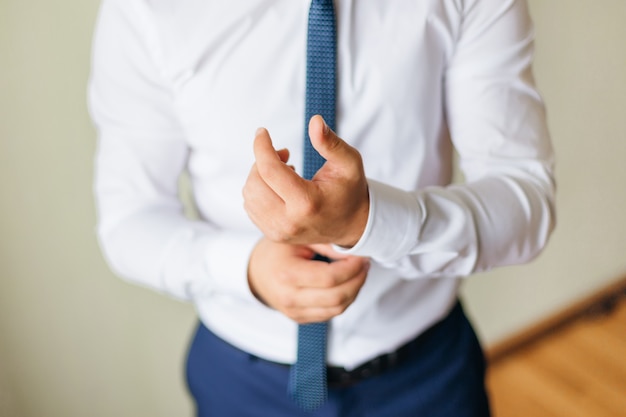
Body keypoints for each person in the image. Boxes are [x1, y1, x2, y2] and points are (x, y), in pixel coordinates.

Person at [88, 0, 555, 416]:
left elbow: (525, 198)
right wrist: (246, 268)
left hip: (427, 377)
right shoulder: (145, 9)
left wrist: (371, 220)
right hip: (241, 383)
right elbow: (129, 220)